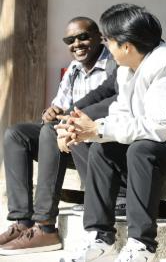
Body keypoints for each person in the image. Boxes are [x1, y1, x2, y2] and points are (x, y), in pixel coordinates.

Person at [59, 4, 166, 262]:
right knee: (102, 149)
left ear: (126, 46)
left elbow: (158, 128)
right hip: (165, 144)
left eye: (108, 41)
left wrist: (98, 128)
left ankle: (141, 245)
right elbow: (121, 115)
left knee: (141, 150)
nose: (106, 47)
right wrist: (86, 131)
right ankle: (99, 238)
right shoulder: (126, 69)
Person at [0, 17, 115, 255]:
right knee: (16, 134)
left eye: (83, 37)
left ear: (99, 37)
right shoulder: (73, 69)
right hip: (68, 140)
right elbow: (58, 107)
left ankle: (45, 226)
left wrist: (63, 121)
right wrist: (51, 112)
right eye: (70, 40)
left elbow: (114, 108)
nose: (77, 44)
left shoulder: (113, 65)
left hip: (98, 143)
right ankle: (23, 222)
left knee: (51, 131)